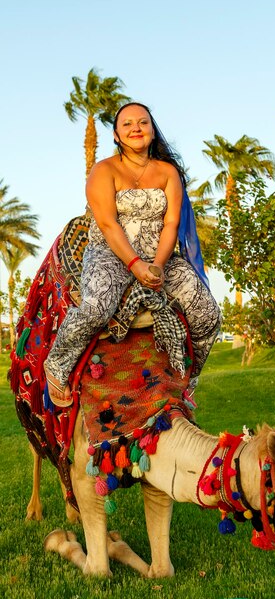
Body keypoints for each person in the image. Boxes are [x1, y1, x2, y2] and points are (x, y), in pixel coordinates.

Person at [44, 102, 221, 406]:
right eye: (127, 124)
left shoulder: (168, 173)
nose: (136, 128)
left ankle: (188, 380)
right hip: (110, 253)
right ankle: (58, 362)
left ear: (152, 131)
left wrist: (158, 266)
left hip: (160, 256)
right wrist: (135, 264)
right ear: (116, 135)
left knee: (208, 314)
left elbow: (171, 223)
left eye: (143, 122)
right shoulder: (104, 170)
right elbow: (108, 224)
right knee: (97, 307)